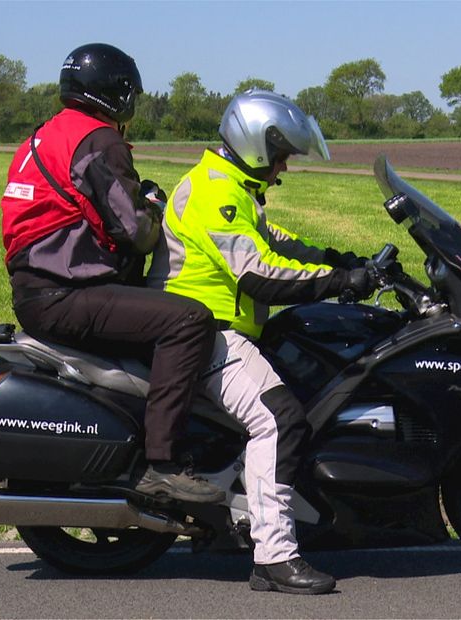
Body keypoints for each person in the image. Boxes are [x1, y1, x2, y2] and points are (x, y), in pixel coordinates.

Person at [147, 89, 378, 594]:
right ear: (257, 146)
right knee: (279, 420)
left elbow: (275, 242)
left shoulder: (232, 186)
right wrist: (338, 283)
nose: (284, 169)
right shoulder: (216, 193)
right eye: (282, 157)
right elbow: (258, 275)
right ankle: (274, 556)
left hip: (217, 329)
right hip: (205, 336)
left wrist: (341, 260)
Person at [0, 43, 223, 504]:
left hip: (38, 290)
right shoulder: (98, 140)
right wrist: (155, 212)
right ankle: (160, 464)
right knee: (189, 321)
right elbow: (133, 231)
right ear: (114, 95)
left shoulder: (47, 134)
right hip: (67, 293)